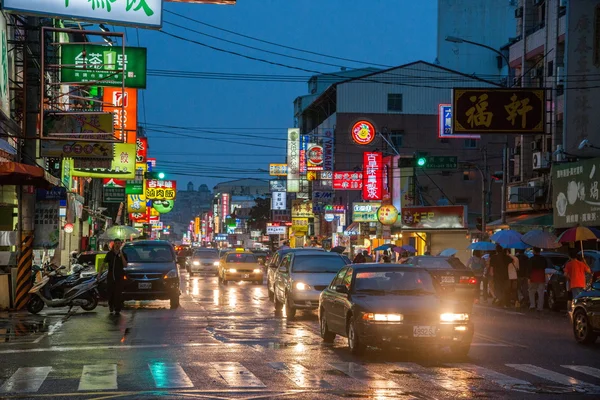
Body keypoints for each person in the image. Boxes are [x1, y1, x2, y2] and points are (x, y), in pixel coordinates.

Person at [104, 239, 126, 315]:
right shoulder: (110, 254)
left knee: (118, 293)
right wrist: (99, 274)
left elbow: (125, 265)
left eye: (118, 243)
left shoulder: (123, 254)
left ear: (120, 245)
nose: (117, 245)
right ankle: (111, 305)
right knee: (110, 292)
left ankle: (117, 308)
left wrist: (121, 255)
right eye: (116, 243)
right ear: (114, 244)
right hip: (110, 276)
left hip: (119, 277)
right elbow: (103, 263)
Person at [529, 247, 547, 312]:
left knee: (531, 291)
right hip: (541, 277)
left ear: (534, 251)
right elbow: (545, 266)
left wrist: (529, 277)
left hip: (533, 277)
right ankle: (540, 307)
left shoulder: (531, 259)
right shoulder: (543, 259)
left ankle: (532, 305)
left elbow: (529, 269)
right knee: (541, 293)